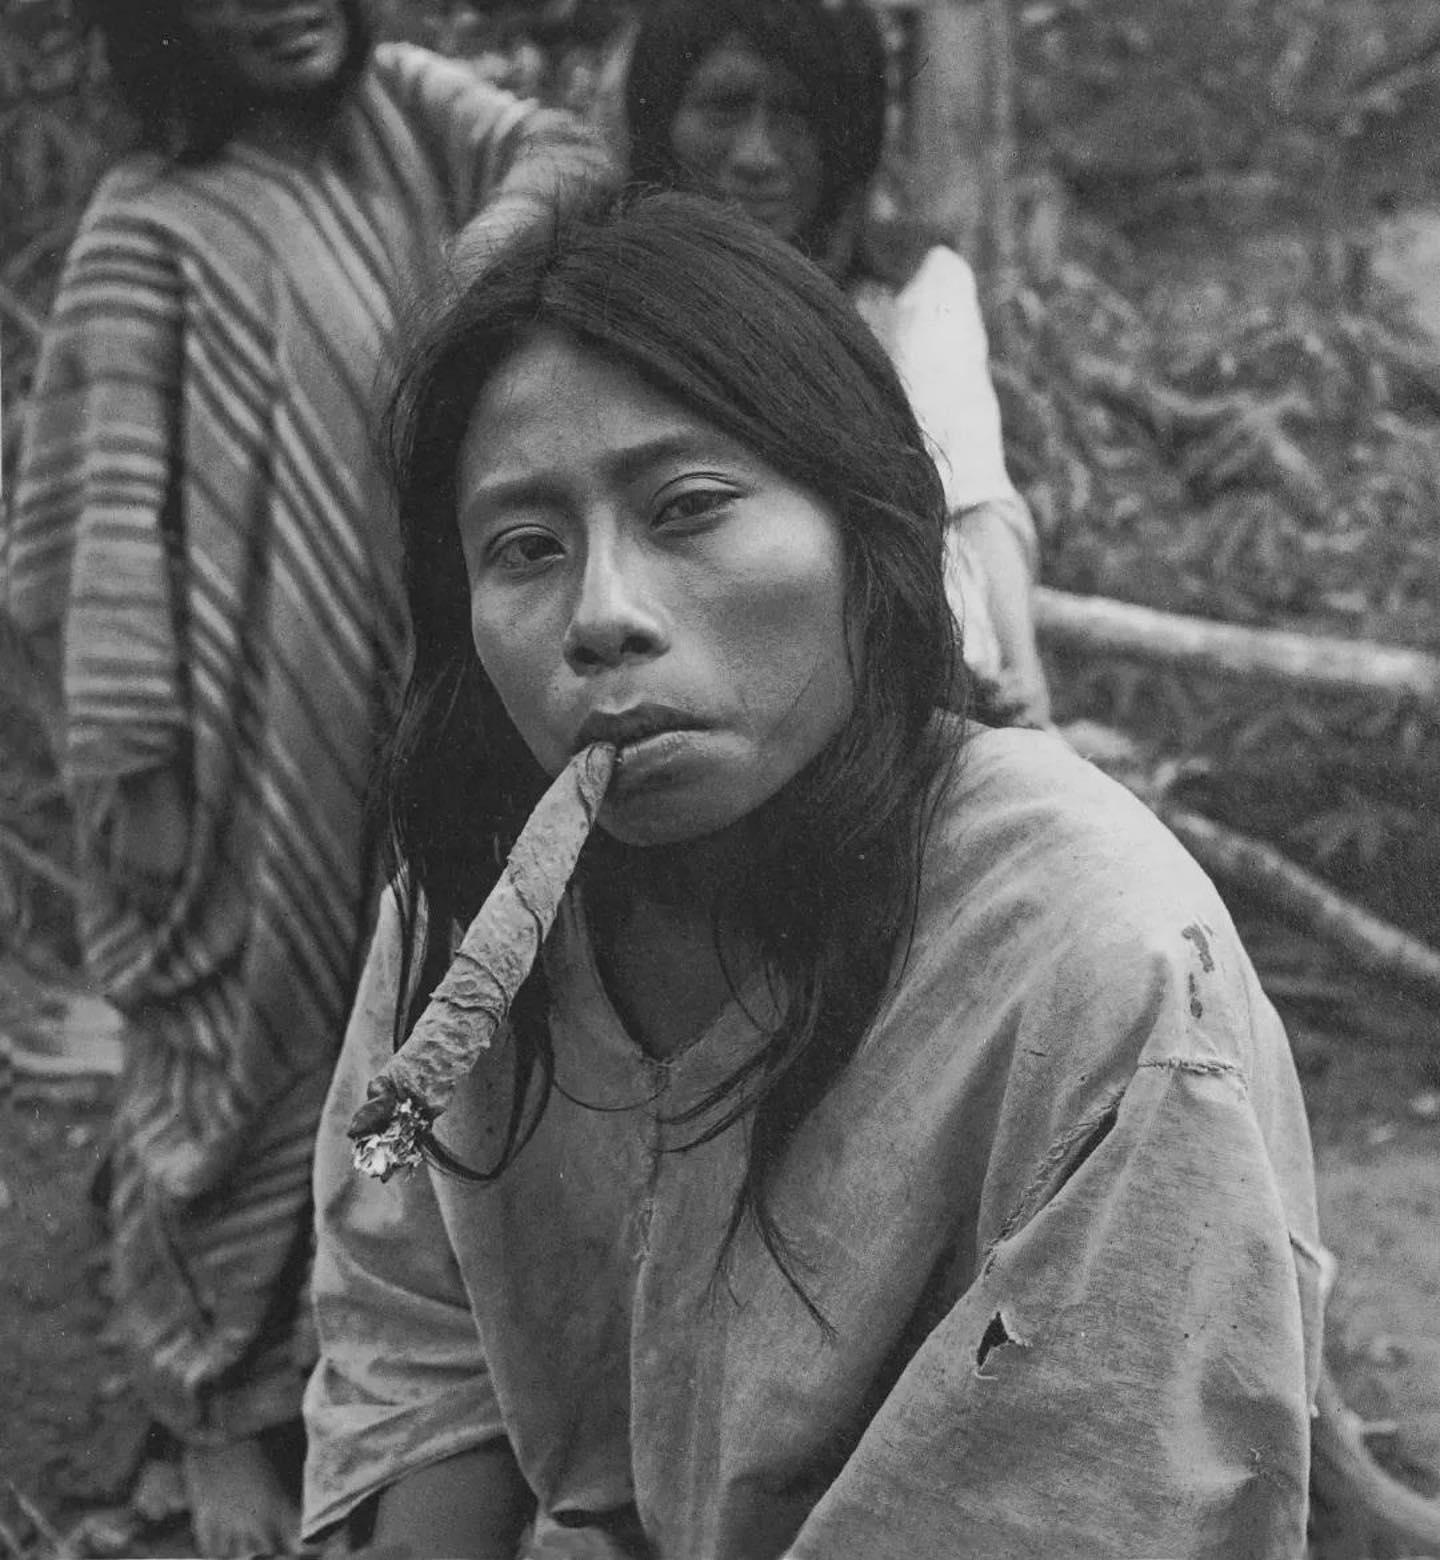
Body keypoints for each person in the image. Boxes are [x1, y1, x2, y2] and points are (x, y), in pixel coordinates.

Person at [300, 189, 1324, 1559]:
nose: (603, 615)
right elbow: (422, 1357)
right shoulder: (474, 920)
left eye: (688, 508)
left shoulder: (1103, 967)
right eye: (525, 548)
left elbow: (1100, 1494)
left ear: (868, 530)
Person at [1, 2, 612, 1552]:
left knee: (406, 1028)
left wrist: (482, 261)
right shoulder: (147, 226)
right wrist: (134, 765)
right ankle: (215, 1407)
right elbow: (102, 517)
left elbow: (567, 152)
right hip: (238, 751)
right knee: (230, 1058)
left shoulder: (406, 115)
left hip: (424, 702)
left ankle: (376, 1371)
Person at [619, 0, 1052, 727]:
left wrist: (1023, 669)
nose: (757, 155)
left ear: (842, 134)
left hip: (927, 694)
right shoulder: (613, 296)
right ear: (663, 117)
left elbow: (973, 492)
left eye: (795, 116)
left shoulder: (910, 286)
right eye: (724, 108)